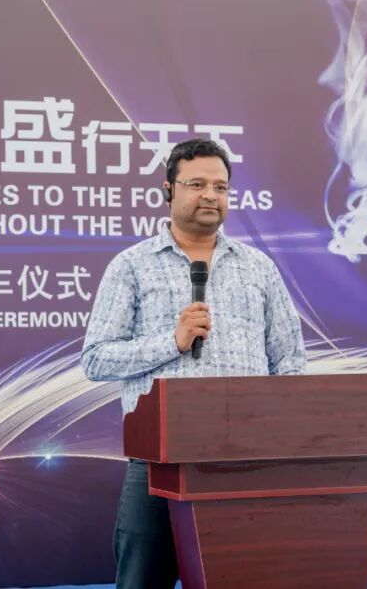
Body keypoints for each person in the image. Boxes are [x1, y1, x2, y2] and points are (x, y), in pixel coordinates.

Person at [81, 138, 306, 589]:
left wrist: (282, 439)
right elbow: (97, 358)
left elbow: (290, 360)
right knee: (142, 580)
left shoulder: (258, 267)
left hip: (247, 459)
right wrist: (173, 341)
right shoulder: (132, 266)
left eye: (220, 187)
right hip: (160, 461)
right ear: (168, 189)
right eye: (197, 184)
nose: (210, 196)